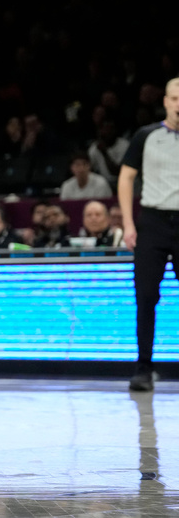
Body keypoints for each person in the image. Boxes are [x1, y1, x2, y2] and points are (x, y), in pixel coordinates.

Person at [118, 77, 179, 391]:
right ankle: (143, 367)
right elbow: (126, 177)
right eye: (174, 98)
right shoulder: (147, 135)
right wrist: (129, 223)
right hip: (153, 220)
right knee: (145, 297)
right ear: (166, 101)